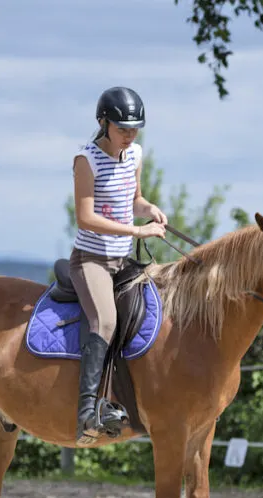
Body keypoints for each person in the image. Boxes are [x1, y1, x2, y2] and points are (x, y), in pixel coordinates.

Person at [70, 86, 168, 445]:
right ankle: (86, 413)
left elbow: (135, 199)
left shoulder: (135, 154)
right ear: (103, 123)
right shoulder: (87, 160)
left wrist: (150, 209)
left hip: (122, 259)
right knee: (106, 320)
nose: (130, 135)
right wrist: (134, 230)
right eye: (123, 129)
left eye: (135, 129)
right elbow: (85, 218)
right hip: (91, 260)